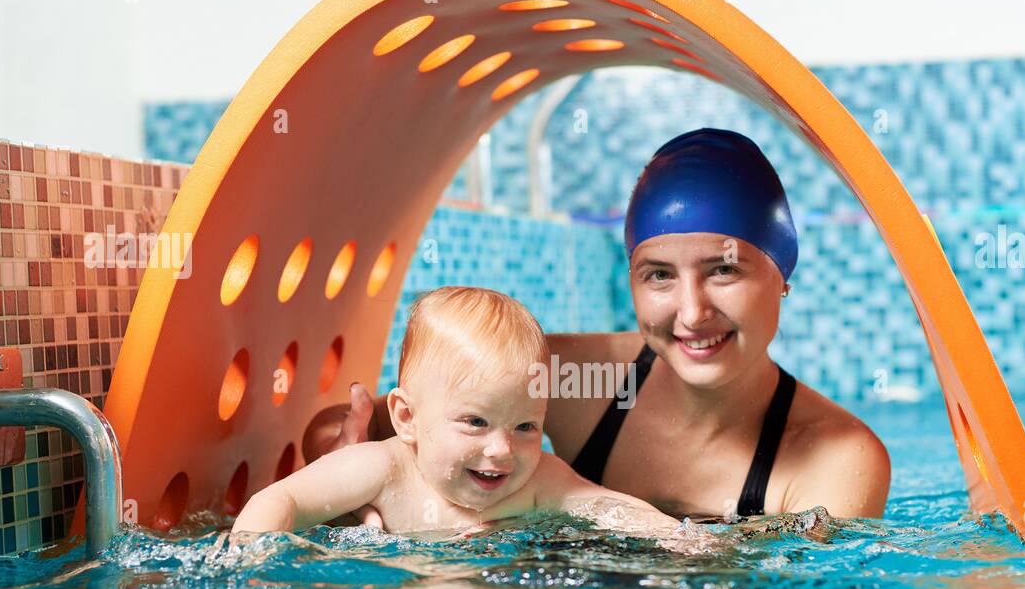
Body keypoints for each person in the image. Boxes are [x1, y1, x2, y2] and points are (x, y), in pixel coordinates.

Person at [303, 129, 890, 527]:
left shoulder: (835, 459)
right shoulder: (586, 381)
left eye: (724, 270)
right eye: (658, 275)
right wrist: (348, 472)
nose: (690, 312)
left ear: (781, 272)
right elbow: (356, 425)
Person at [233, 286, 700, 545]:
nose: (502, 450)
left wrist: (683, 540)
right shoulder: (382, 470)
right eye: (475, 422)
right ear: (406, 417)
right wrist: (253, 556)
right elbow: (281, 500)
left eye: (525, 427)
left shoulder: (539, 481)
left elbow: (606, 507)